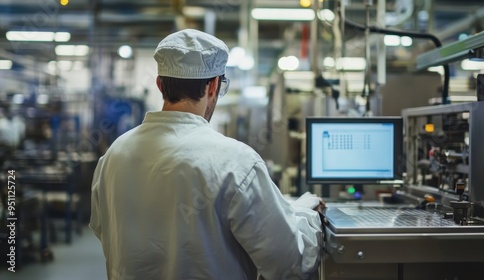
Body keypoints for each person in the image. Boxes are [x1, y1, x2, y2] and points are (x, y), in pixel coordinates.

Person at [90, 29, 324, 280]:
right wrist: (309, 217)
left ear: (159, 84)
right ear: (213, 85)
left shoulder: (113, 156)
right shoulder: (236, 161)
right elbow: (288, 263)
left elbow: (104, 229)